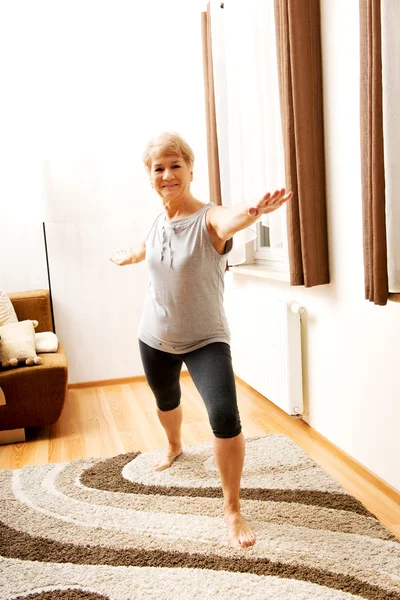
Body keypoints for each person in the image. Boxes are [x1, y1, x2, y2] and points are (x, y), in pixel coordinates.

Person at [110, 132, 292, 549]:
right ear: (150, 176)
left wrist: (253, 212)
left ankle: (232, 510)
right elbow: (149, 245)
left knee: (225, 418)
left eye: (176, 165)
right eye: (160, 168)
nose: (168, 174)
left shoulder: (209, 219)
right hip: (154, 335)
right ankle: (174, 445)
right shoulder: (159, 219)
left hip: (206, 339)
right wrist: (130, 255)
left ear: (191, 170)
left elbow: (230, 220)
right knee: (166, 400)